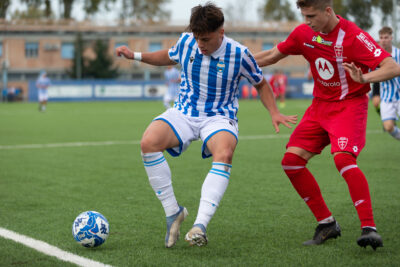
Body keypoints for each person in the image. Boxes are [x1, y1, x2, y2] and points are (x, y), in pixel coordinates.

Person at [116, 3, 297, 248]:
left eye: (206, 39)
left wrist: (274, 112)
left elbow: (261, 84)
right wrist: (135, 56)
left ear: (220, 33)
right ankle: (173, 213)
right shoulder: (187, 42)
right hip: (184, 112)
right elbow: (168, 56)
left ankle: (199, 226)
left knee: (224, 153)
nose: (200, 44)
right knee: (148, 143)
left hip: (219, 117)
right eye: (197, 38)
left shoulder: (239, 54)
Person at [255, 0, 400, 250]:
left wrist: (364, 77)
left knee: (343, 159)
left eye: (311, 15)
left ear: (328, 11)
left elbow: (392, 66)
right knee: (291, 162)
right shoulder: (303, 33)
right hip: (319, 107)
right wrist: (236, 62)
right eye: (303, 15)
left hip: (349, 106)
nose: (307, 21)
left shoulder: (354, 36)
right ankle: (327, 223)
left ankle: (369, 228)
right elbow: (271, 55)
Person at [376, 26, 400, 140]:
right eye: (381, 37)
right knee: (388, 127)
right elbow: (373, 73)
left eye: (386, 37)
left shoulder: (399, 54)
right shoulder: (376, 56)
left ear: (391, 38)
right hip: (386, 97)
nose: (383, 40)